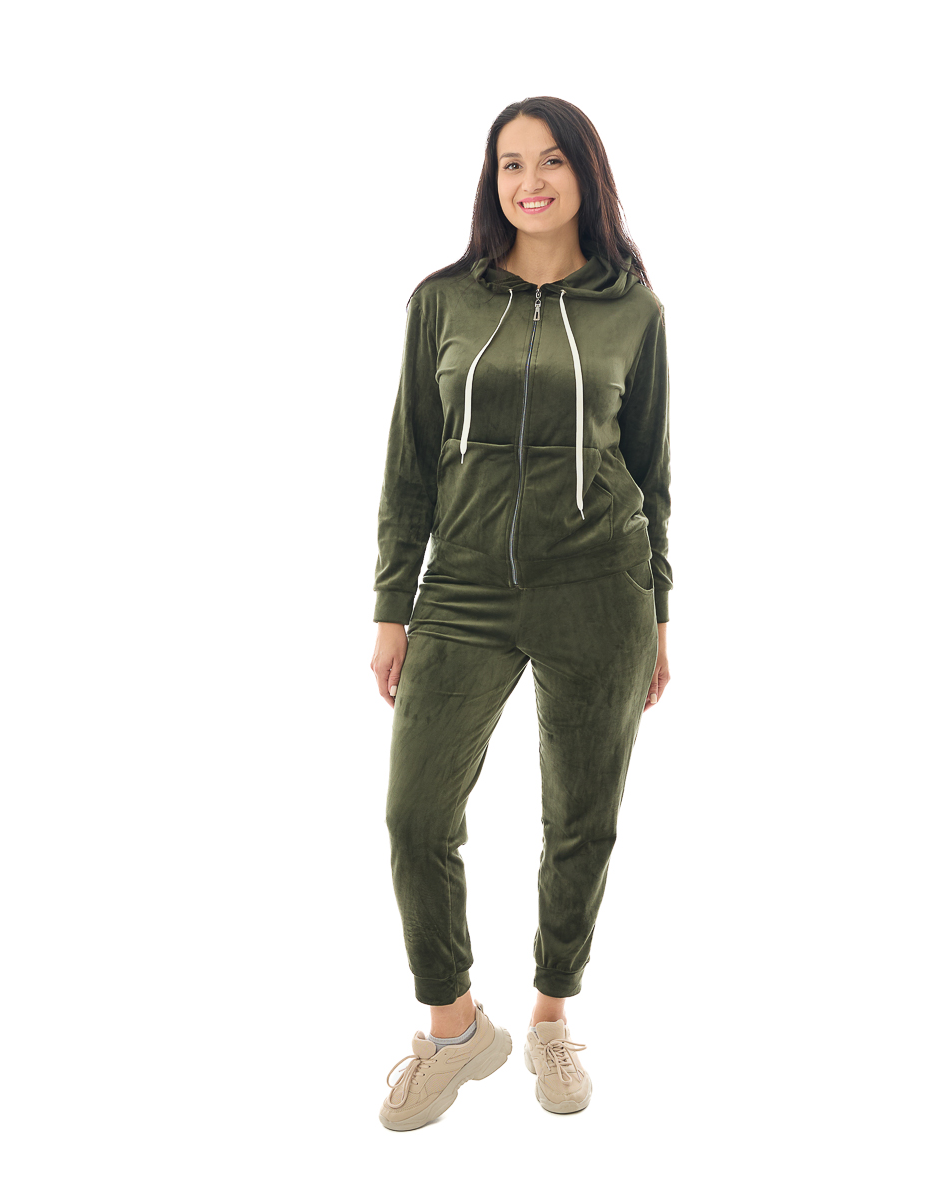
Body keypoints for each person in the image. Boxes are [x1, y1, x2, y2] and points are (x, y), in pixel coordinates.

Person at [369, 95, 673, 1130]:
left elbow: (651, 472)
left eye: (550, 161)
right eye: (510, 163)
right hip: (461, 588)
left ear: (586, 174)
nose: (529, 181)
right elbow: (409, 461)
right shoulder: (443, 302)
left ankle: (550, 1016)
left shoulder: (635, 311)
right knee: (416, 817)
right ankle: (457, 1029)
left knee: (580, 818)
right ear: (491, 180)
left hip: (601, 590)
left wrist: (659, 614)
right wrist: (393, 605)